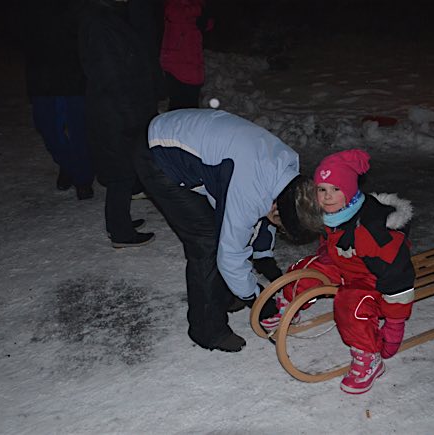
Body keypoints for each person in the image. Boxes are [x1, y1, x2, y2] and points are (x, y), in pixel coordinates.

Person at [134, 108, 322, 352]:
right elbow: (230, 254)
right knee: (207, 242)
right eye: (281, 226)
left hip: (192, 140)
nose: (280, 229)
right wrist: (256, 299)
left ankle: (226, 293)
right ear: (278, 208)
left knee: (224, 230)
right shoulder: (249, 189)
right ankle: (207, 330)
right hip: (158, 153)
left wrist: (263, 257)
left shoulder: (288, 172)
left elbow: (265, 216)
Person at [261, 149, 415, 394]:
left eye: (336, 189)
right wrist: (281, 219)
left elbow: (399, 278)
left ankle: (369, 358)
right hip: (345, 264)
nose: (328, 197)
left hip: (372, 278)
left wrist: (395, 324)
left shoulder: (372, 231)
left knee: (350, 305)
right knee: (308, 269)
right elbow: (309, 227)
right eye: (322, 189)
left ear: (351, 190)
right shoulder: (334, 214)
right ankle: (289, 307)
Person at [78, 0, 161, 247]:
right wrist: (129, 115)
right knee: (121, 174)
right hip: (116, 112)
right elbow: (111, 75)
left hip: (118, 109)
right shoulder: (101, 23)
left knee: (123, 171)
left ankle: (118, 221)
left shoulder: (106, 18)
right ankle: (121, 233)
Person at [21, 0, 95, 200]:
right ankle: (69, 165)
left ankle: (83, 178)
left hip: (73, 77)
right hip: (42, 78)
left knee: (79, 130)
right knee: (49, 130)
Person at [160, 0, 213, 110]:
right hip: (176, 64)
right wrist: (199, 10)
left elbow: (208, 24)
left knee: (190, 108)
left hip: (193, 63)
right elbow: (174, 14)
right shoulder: (175, 5)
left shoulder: (196, 5)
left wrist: (204, 13)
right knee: (179, 107)